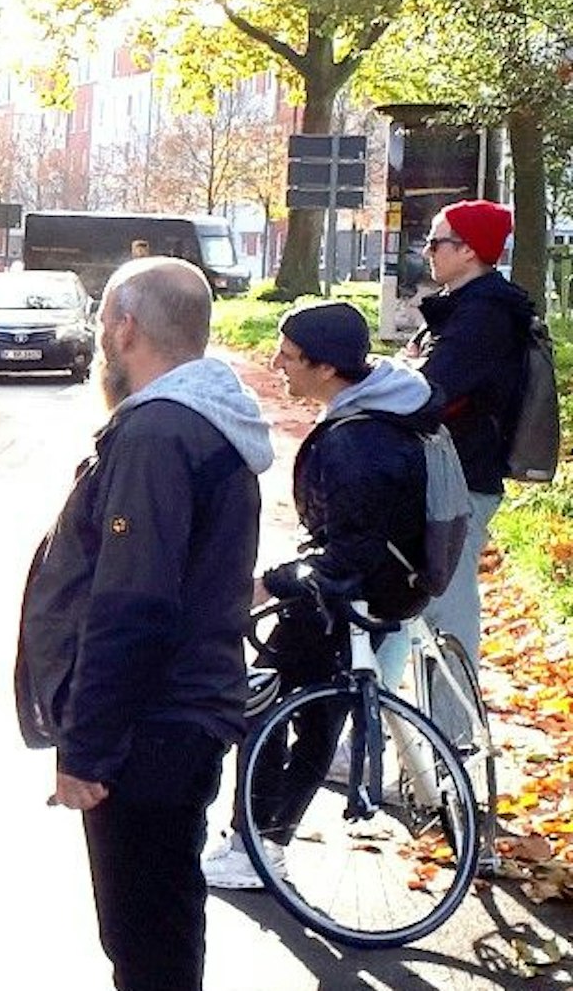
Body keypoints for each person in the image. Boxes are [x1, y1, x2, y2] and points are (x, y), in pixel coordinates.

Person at [14, 256, 272, 991]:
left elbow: (132, 605)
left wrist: (87, 753)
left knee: (143, 933)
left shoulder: (158, 435)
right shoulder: (201, 422)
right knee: (158, 923)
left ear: (126, 329)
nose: (101, 340)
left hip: (150, 731)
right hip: (178, 717)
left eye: (102, 324)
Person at [200, 301, 447, 890]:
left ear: (326, 366)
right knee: (313, 717)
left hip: (343, 598)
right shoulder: (383, 407)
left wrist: (269, 584)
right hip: (384, 592)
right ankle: (262, 842)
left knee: (268, 712)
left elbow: (350, 555)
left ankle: (259, 849)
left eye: (287, 355)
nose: (276, 363)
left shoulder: (355, 444)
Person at [404, 199, 537, 661]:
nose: (428, 250)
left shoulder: (485, 316)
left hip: (461, 480)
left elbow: (431, 389)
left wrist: (396, 377)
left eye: (437, 241)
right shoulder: (468, 309)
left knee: (448, 610)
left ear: (467, 251)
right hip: (449, 473)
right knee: (422, 608)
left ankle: (456, 732)